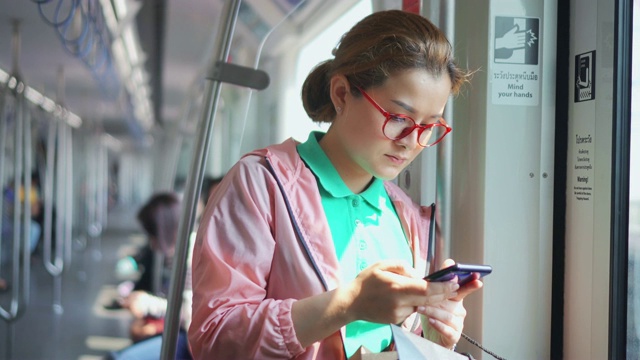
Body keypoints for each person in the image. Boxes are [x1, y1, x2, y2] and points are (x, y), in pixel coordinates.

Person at [189, 9, 483, 360]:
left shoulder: (408, 217)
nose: (411, 141)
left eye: (429, 127)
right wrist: (346, 304)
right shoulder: (261, 184)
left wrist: (433, 337)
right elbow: (215, 337)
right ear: (342, 94)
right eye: (399, 118)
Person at [108, 177, 224, 360]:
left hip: (190, 339)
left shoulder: (193, 253)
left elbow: (190, 312)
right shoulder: (174, 255)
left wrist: (149, 307)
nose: (152, 242)